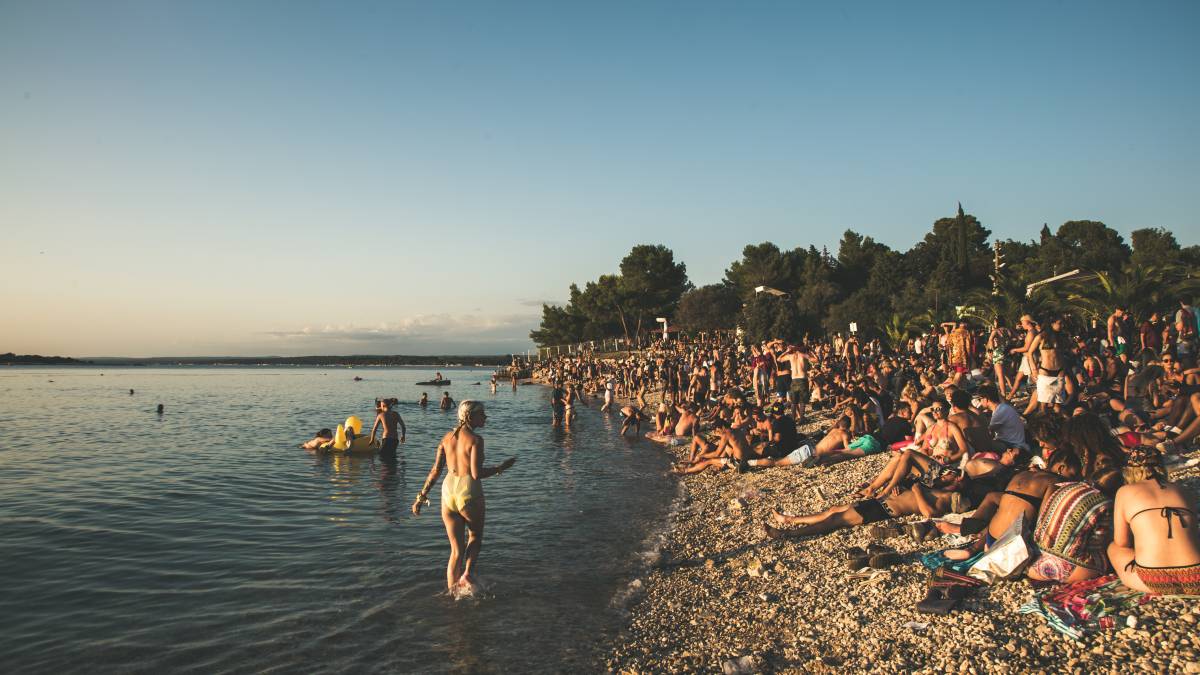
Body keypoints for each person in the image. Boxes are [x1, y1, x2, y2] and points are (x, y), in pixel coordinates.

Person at [412, 400, 516, 593]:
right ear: (469, 416)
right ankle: (467, 574)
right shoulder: (476, 440)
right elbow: (475, 474)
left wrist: (421, 496)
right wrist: (500, 468)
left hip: (448, 492)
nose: (485, 417)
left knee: (455, 551)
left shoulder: (446, 438)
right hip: (469, 492)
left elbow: (435, 470)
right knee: (475, 536)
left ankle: (452, 594)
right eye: (481, 414)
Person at [1108, 446, 1200, 595]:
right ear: (1161, 466)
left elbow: (1122, 543)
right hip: (1195, 577)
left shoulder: (1124, 492)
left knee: (1113, 548)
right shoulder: (1182, 489)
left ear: (1128, 471)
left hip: (1154, 580)